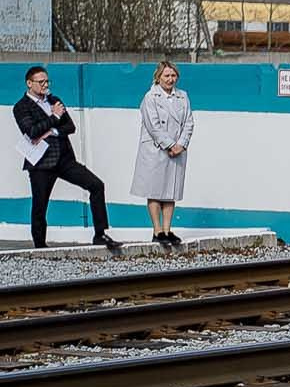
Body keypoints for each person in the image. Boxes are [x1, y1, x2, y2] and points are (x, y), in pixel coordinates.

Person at [14, 66, 119, 252]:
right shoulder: (21, 107)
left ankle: (100, 234)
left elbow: (70, 126)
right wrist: (54, 116)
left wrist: (52, 131)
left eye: (47, 81)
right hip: (41, 162)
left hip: (65, 159)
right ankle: (40, 246)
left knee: (96, 185)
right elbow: (32, 131)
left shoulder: (54, 100)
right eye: (41, 82)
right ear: (29, 83)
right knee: (40, 205)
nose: (45, 85)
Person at [132, 59, 195, 248]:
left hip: (177, 150)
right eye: (166, 75)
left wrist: (181, 144)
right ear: (158, 77)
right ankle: (157, 230)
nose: (170, 79)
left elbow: (189, 122)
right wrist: (169, 145)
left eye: (173, 75)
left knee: (170, 191)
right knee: (154, 190)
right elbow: (153, 126)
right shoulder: (150, 97)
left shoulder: (183, 96)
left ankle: (168, 230)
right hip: (155, 149)